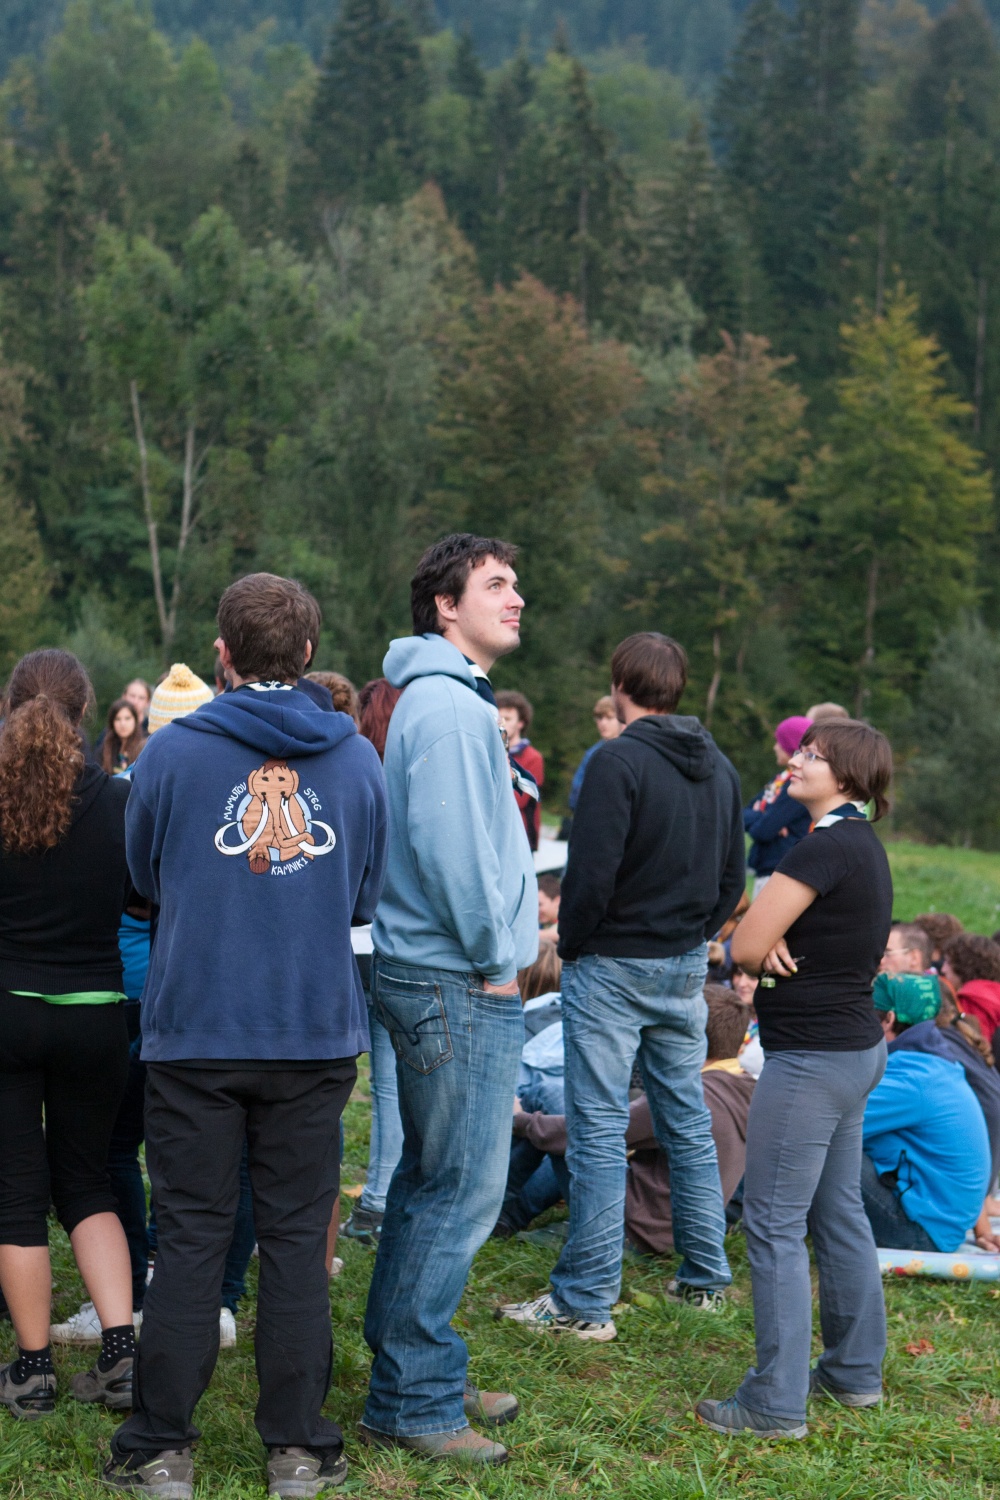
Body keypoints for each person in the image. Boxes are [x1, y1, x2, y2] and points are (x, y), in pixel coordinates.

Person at [103, 573, 387, 1500]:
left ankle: (160, 1448)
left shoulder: (172, 754)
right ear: (307, 653)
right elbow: (363, 895)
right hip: (311, 1028)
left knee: (191, 1235)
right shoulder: (356, 761)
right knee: (297, 1242)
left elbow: (143, 876)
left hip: (197, 1027)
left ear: (221, 654)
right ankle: (297, 1448)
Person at [500, 631, 744, 1342]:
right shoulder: (721, 767)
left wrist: (573, 944)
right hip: (682, 963)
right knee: (684, 1120)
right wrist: (697, 935)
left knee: (600, 1130)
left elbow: (591, 872)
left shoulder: (616, 761)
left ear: (619, 685)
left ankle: (583, 1302)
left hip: (612, 962)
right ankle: (705, 1280)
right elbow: (735, 876)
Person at [361, 533, 537, 1466]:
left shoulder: (446, 698)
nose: (516, 598)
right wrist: (496, 956)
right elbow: (452, 851)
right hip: (456, 976)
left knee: (431, 1182)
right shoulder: (450, 708)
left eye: (516, 585)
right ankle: (414, 1401)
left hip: (441, 970)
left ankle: (411, 1366)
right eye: (496, 584)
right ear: (445, 604)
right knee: (461, 1190)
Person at [698, 717, 893, 1441]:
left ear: (847, 775)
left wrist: (764, 939)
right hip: (853, 1052)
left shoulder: (821, 846)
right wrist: (771, 936)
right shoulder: (861, 844)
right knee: (837, 1211)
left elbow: (743, 947)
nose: (798, 761)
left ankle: (774, 1403)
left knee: (774, 1221)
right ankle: (853, 1372)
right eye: (803, 750)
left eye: (815, 755)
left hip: (811, 1058)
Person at [0, 650, 135, 1421]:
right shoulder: (117, 800)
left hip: (9, 1012)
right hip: (95, 1013)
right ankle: (120, 1352)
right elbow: (143, 899)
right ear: (85, 713)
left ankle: (32, 1369)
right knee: (88, 1182)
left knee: (16, 1194)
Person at [504, 986, 754, 1251]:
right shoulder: (747, 1089)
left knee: (550, 1103)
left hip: (632, 1228)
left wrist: (520, 1120)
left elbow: (588, 1133)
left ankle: (503, 1213)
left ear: (690, 1038)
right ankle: (510, 1214)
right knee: (568, 1130)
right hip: (678, 1233)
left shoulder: (684, 1096)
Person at [341, 679, 405, 1250]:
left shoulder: (354, 775)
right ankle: (379, 1202)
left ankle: (317, 1200)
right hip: (393, 946)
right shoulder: (411, 778)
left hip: (348, 944)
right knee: (388, 1087)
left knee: (328, 1087)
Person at [874, 971, 1000, 1251]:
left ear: (889, 1019)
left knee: (829, 1148)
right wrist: (983, 1228)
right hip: (946, 1224)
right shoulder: (934, 1059)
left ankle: (784, 1231)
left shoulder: (910, 1075)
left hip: (920, 1231)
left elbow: (829, 1122)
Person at [743, 716, 813, 898]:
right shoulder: (779, 781)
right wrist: (764, 817)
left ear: (791, 746)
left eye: (779, 742)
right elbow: (741, 816)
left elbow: (762, 831)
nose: (775, 747)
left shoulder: (797, 785)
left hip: (782, 872)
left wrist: (762, 817)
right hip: (765, 869)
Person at [496, 690, 544, 851]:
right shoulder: (490, 752)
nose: (502, 723)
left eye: (508, 718)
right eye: (499, 718)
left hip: (519, 837)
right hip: (495, 834)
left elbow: (519, 798)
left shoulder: (532, 758)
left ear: (521, 723)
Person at [939, 933, 1000, 1052]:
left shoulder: (971, 998)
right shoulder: (994, 990)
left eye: (948, 962)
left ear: (964, 965)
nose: (943, 969)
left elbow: (976, 1047)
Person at [566, 695, 622, 819]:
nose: (603, 723)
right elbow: (576, 794)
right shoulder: (592, 753)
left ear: (621, 719)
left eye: (609, 717)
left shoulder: (629, 753)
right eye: (599, 718)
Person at [101, 698, 147, 777]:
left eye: (127, 718)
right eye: (118, 719)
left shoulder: (145, 746)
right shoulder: (105, 748)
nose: (123, 724)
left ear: (135, 720)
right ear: (112, 722)